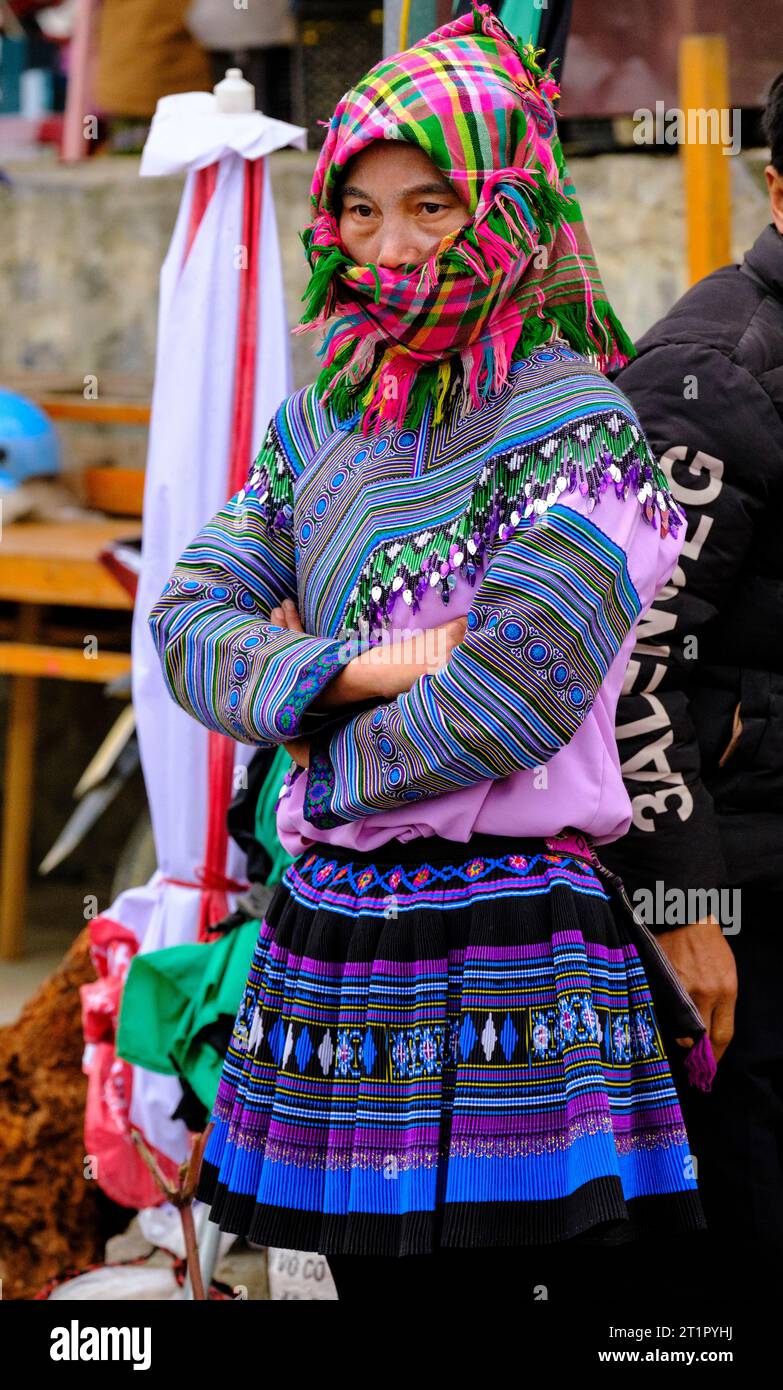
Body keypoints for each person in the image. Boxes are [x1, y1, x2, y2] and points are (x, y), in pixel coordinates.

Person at [147, 2, 712, 1304]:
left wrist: (303, 768)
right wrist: (368, 667)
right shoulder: (315, 431)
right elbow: (186, 621)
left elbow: (504, 702)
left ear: (506, 207)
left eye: (431, 208)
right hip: (332, 948)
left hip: (505, 941)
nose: (388, 247)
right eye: (358, 210)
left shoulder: (577, 426)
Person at [601, 71, 783, 1299]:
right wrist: (684, 903)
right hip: (750, 892)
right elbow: (631, 662)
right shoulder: (708, 371)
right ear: (778, 185)